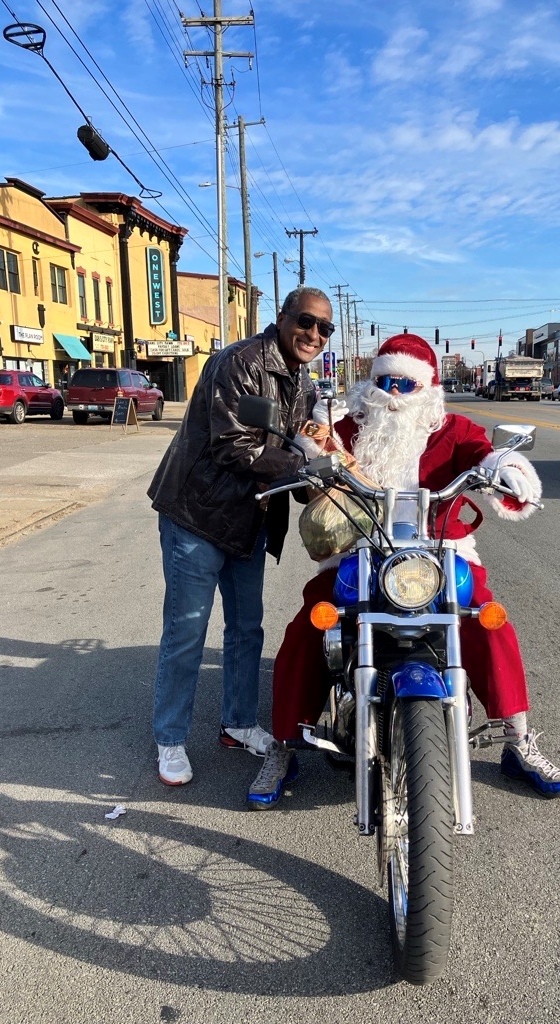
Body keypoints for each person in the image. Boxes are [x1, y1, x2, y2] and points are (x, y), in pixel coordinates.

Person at [248, 333, 560, 808]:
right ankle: (282, 746)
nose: (394, 394)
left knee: (487, 617)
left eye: (404, 383)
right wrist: (309, 450)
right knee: (310, 624)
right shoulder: (346, 425)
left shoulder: (452, 429)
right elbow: (311, 452)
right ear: (371, 383)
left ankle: (518, 739)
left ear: (426, 387)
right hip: (359, 551)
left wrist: (506, 466)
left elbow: (484, 452)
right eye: (384, 381)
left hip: (440, 551)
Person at [148, 286, 335, 785]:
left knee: (247, 628)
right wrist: (307, 462)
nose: (314, 334)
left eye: (324, 328)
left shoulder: (304, 383)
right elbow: (232, 446)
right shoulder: (240, 363)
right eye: (306, 321)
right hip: (198, 515)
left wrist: (316, 457)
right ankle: (170, 738)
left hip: (250, 519)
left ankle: (238, 722)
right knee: (187, 630)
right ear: (282, 317)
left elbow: (297, 448)